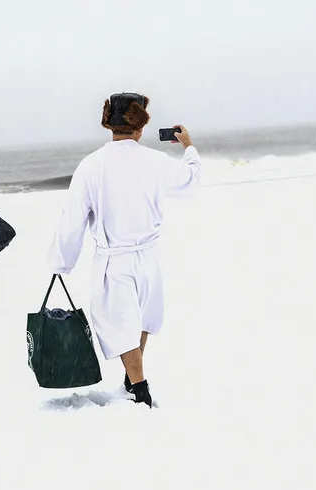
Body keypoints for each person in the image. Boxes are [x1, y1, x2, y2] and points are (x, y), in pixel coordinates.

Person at [48, 93, 201, 407]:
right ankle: (134, 382)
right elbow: (190, 181)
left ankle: (140, 387)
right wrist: (188, 147)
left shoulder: (91, 166)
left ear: (110, 126)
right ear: (141, 127)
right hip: (148, 257)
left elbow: (73, 217)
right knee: (141, 320)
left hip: (113, 260)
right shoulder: (155, 162)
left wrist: (62, 262)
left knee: (121, 324)